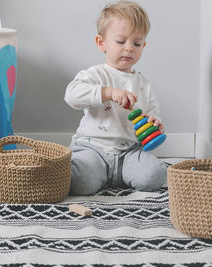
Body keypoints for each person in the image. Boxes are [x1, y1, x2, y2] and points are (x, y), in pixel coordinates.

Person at [64, 1, 167, 195]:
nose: (129, 48)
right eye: (121, 41)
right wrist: (108, 93)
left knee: (155, 176)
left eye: (136, 43)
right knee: (79, 182)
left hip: (129, 151)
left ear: (143, 45)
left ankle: (115, 176)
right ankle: (94, 172)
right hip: (93, 149)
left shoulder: (143, 83)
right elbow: (71, 95)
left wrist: (155, 122)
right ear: (101, 43)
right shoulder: (96, 74)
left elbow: (152, 111)